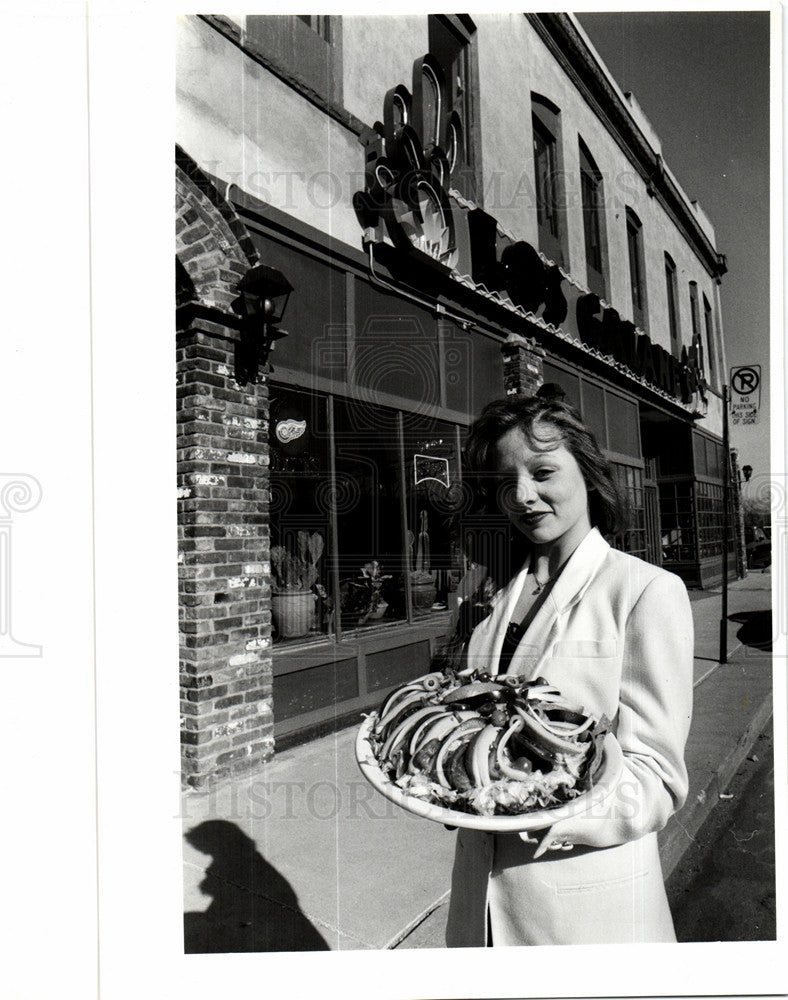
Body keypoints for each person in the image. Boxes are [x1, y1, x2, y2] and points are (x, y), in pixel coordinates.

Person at [444, 393, 694, 947]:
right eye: (506, 480)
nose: (522, 495)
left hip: (584, 921)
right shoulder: (491, 600)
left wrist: (534, 806)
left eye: (543, 471)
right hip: (479, 915)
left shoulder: (644, 591)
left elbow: (656, 778)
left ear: (587, 471)